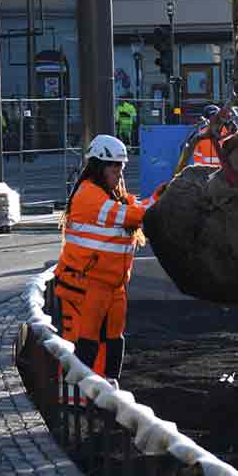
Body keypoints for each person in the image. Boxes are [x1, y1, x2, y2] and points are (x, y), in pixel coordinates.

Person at [53, 134, 158, 384]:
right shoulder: (89, 195)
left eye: (121, 168)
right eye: (114, 167)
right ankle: (79, 394)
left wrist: (161, 196)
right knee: (85, 339)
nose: (119, 173)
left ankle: (110, 386)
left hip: (113, 283)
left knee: (114, 337)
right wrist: (159, 203)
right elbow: (133, 215)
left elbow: (137, 206)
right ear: (99, 167)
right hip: (87, 283)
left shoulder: (112, 194)